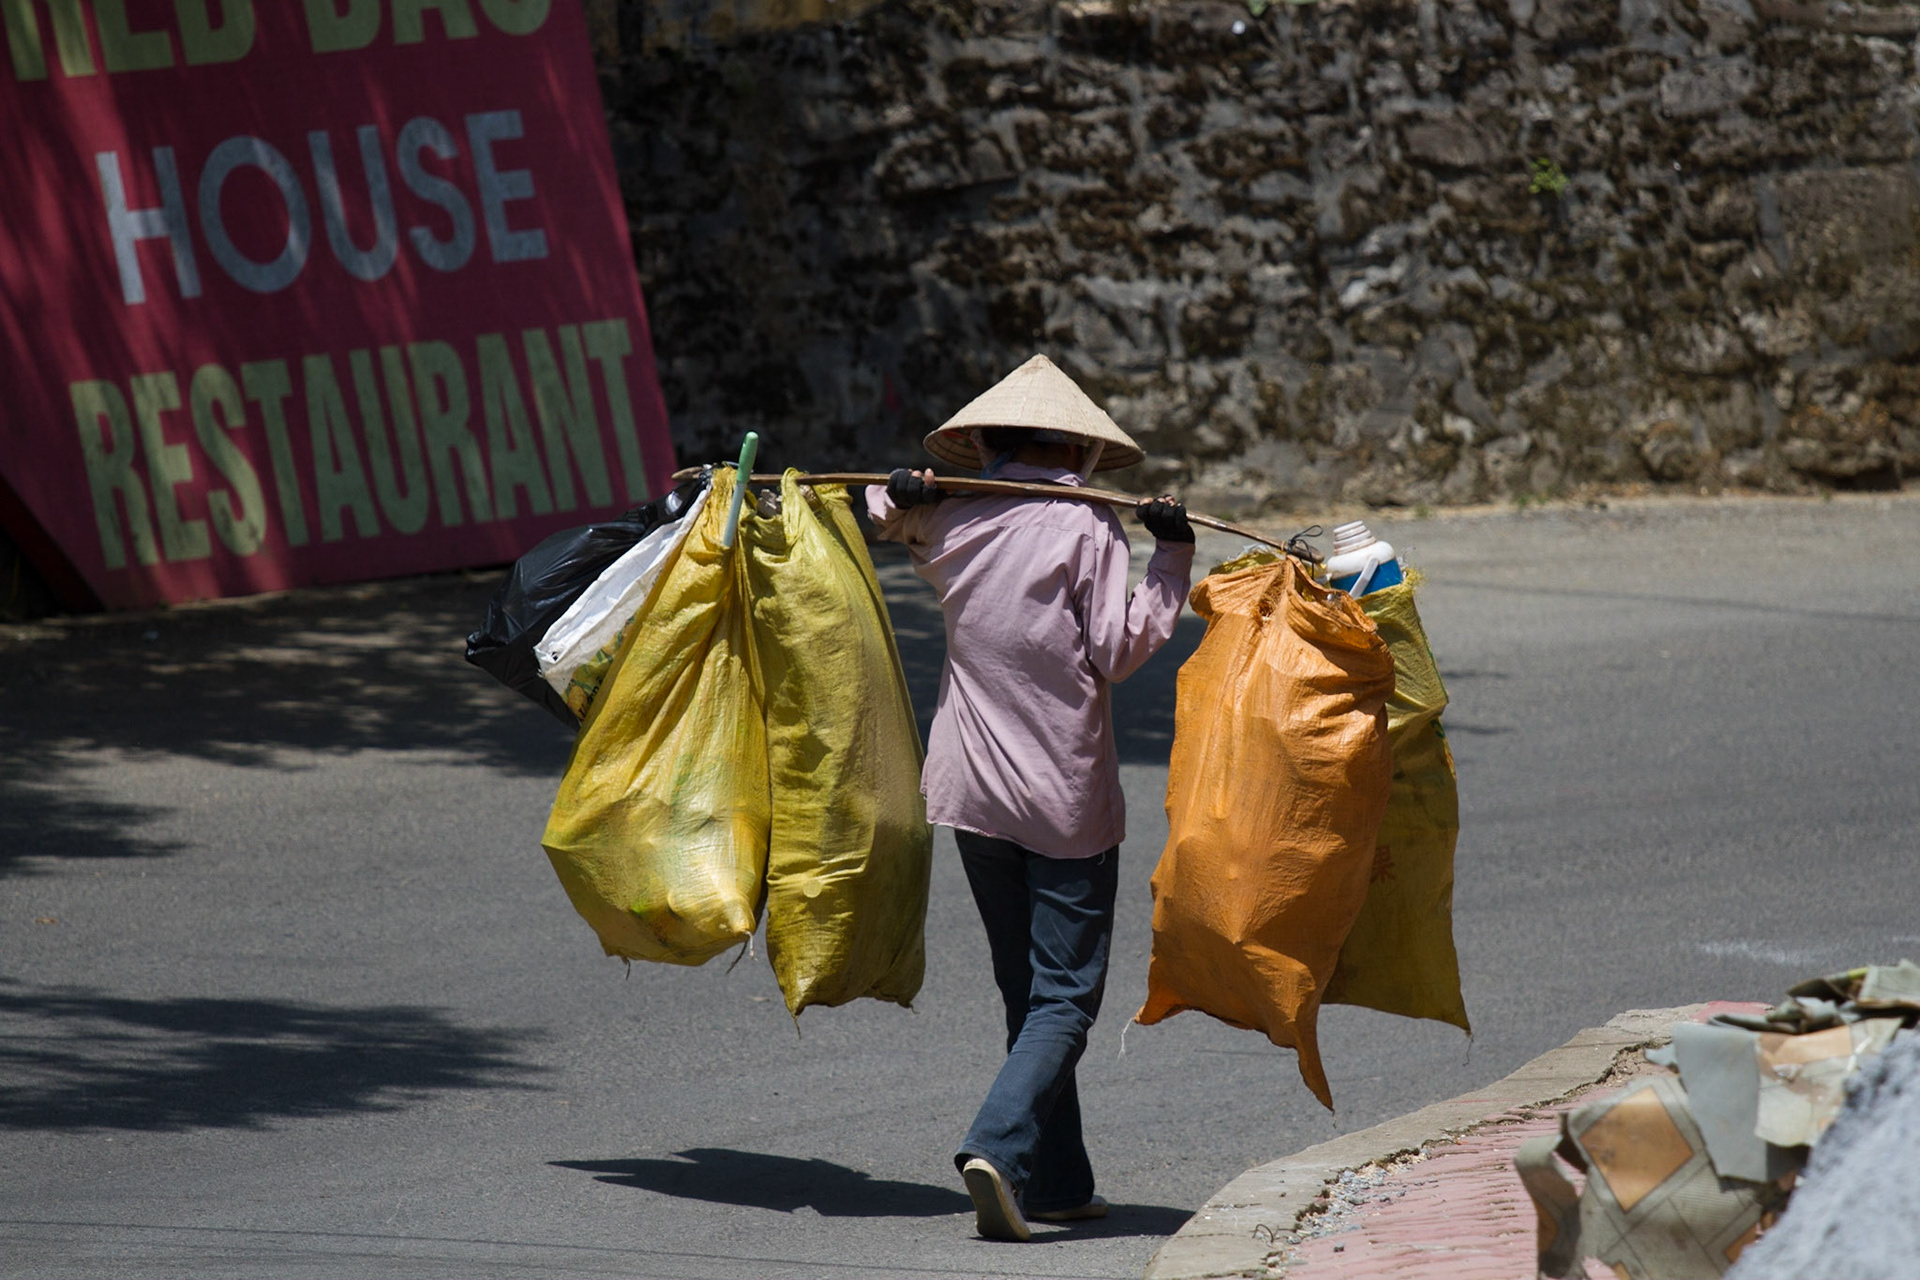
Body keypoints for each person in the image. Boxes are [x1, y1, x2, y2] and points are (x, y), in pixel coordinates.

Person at [866, 354, 1195, 1241]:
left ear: (991, 445)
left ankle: (1055, 1182)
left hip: (973, 792)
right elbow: (1119, 650)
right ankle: (998, 1146)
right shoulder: (1087, 528)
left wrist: (904, 489)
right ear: (1079, 451)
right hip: (1060, 802)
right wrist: (1171, 555)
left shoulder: (957, 516)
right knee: (1066, 998)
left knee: (1030, 991)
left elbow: (882, 512)